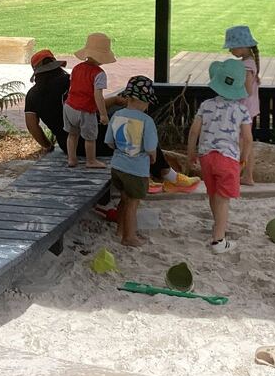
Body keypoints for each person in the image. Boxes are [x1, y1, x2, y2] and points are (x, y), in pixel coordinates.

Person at [24, 48, 199, 192]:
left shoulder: (32, 96)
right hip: (95, 138)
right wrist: (114, 102)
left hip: (69, 147)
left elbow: (32, 126)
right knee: (136, 128)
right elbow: (91, 104)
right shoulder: (71, 80)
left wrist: (48, 145)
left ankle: (156, 174)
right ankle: (166, 175)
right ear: (56, 66)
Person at [186, 59, 253, 253]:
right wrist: (243, 159)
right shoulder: (242, 110)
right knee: (224, 198)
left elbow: (193, 131)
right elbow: (247, 139)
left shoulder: (206, 105)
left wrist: (191, 153)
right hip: (228, 157)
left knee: (213, 193)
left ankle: (218, 225)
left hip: (207, 156)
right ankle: (218, 240)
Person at [105, 75, 158, 247]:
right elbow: (150, 148)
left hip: (117, 167)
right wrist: (153, 157)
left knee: (124, 198)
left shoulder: (117, 115)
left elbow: (109, 142)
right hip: (136, 170)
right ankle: (129, 237)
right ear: (144, 101)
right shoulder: (146, 121)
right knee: (133, 203)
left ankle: (120, 229)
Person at [64, 32, 115, 169]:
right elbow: (98, 95)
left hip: (69, 106)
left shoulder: (76, 68)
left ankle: (71, 159)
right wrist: (103, 114)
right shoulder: (99, 74)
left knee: (72, 134)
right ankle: (91, 160)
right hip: (85, 110)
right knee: (90, 138)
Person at [224, 24, 260, 185]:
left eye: (232, 47)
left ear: (242, 46)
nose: (230, 51)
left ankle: (240, 174)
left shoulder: (246, 66)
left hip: (243, 108)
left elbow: (247, 90)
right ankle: (247, 176)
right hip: (248, 108)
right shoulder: (250, 62)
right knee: (246, 142)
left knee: (241, 143)